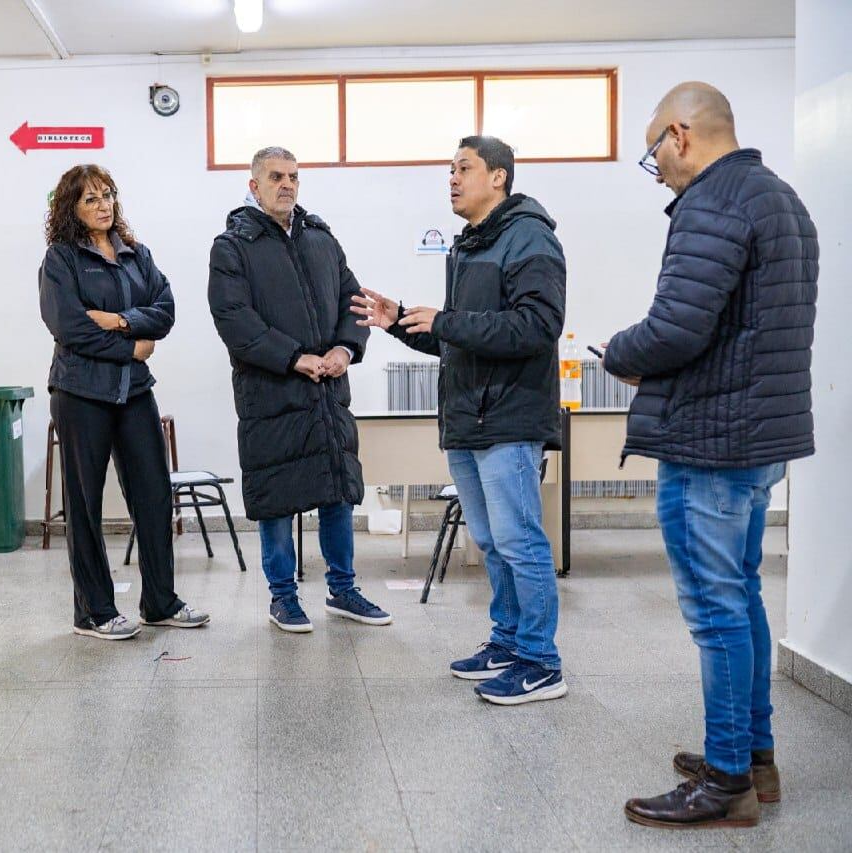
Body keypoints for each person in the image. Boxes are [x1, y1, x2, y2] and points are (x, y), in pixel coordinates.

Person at [608, 83, 817, 830]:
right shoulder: (780, 197)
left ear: (679, 133)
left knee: (715, 608)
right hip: (760, 437)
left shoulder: (713, 201)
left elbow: (676, 327)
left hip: (711, 439)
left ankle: (728, 779)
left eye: (653, 153)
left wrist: (620, 355)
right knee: (743, 595)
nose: (657, 168)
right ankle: (754, 756)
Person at [351, 135, 567, 704]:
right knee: (493, 543)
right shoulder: (469, 245)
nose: (451, 178)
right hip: (467, 418)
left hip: (509, 418)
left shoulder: (529, 237)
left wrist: (446, 320)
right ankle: (508, 641)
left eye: (463, 168)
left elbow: (535, 328)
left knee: (521, 542)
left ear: (498, 177)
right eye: (450, 169)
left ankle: (542, 661)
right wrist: (400, 321)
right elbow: (459, 340)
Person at [208, 145, 390, 633]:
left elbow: (355, 302)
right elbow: (234, 319)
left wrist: (344, 351)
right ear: (254, 186)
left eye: (292, 177)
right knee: (276, 495)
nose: (286, 185)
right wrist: (293, 357)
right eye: (275, 177)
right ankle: (283, 597)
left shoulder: (322, 240)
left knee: (337, 490)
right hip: (272, 395)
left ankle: (343, 589)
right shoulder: (232, 247)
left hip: (328, 393)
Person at [39, 164, 209, 639]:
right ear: (71, 207)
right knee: (85, 505)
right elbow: (69, 328)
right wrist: (133, 345)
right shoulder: (61, 259)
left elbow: (166, 311)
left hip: (133, 391)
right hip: (80, 392)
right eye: (90, 198)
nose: (103, 205)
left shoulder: (137, 255)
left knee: (154, 496)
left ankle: (160, 602)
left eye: (108, 195)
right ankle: (93, 612)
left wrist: (118, 322)